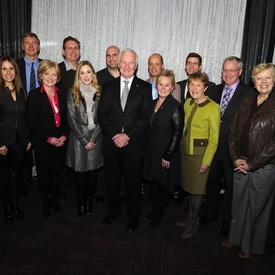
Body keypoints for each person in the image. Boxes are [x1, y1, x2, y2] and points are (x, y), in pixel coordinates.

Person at [222, 63, 275, 258]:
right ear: (253, 81)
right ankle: (234, 238)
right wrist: (235, 158)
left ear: (274, 80)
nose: (263, 82)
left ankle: (250, 246)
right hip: (240, 162)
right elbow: (233, 132)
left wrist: (252, 164)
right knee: (238, 204)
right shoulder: (247, 101)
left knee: (257, 209)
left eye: (268, 77)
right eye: (259, 78)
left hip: (264, 167)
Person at [200, 56, 256, 238]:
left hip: (234, 150)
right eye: (225, 70)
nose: (228, 74)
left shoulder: (249, 93)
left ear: (240, 72)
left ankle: (228, 223)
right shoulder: (214, 90)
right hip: (212, 146)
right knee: (211, 183)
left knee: (231, 189)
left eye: (232, 70)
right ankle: (210, 214)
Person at [98, 48, 152, 232]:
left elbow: (145, 117)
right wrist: (115, 135)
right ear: (119, 65)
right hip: (112, 144)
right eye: (124, 62)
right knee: (111, 182)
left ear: (136, 66)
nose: (127, 66)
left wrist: (127, 135)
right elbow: (102, 114)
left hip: (133, 145)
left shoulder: (145, 88)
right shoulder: (108, 86)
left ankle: (133, 216)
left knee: (133, 184)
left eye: (131, 63)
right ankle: (113, 211)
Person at [177, 71, 220, 238]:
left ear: (205, 87)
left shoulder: (213, 107)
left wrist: (206, 161)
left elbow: (214, 138)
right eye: (191, 85)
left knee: (198, 191)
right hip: (185, 152)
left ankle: (194, 222)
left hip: (200, 155)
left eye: (198, 85)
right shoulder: (187, 103)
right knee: (188, 188)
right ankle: (189, 217)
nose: (194, 88)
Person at [27, 60, 69, 219]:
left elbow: (68, 119)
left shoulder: (64, 93)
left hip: (61, 142)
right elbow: (32, 121)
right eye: (47, 74)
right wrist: (48, 138)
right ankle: (45, 203)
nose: (50, 77)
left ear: (58, 77)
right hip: (43, 143)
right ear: (40, 76)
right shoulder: (34, 95)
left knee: (57, 174)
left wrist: (64, 136)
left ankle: (55, 201)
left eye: (54, 74)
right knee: (44, 175)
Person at [142, 69, 184, 227]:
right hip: (152, 152)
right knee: (153, 183)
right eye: (160, 84)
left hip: (166, 154)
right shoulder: (152, 103)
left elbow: (177, 133)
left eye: (167, 85)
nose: (163, 88)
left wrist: (168, 155)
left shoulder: (175, 107)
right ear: (156, 85)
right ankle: (154, 211)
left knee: (162, 186)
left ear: (173, 87)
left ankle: (158, 215)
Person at [66, 60, 104, 217]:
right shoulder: (72, 92)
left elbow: (103, 117)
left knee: (92, 176)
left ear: (93, 74)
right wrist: (84, 140)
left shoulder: (99, 92)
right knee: (80, 175)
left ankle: (89, 201)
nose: (86, 75)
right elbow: (71, 119)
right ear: (78, 75)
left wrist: (93, 139)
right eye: (82, 72)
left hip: (96, 136)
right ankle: (81, 203)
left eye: (89, 72)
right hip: (77, 139)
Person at [0, 56, 31, 224]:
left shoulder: (21, 91)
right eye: (4, 69)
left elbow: (25, 117)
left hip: (20, 141)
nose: (8, 72)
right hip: (3, 142)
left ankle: (15, 205)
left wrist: (27, 138)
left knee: (16, 175)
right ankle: (7, 208)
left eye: (11, 68)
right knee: (4, 176)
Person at [16, 32, 42, 199]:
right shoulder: (15, 66)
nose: (31, 46)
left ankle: (44, 185)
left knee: (41, 151)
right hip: (21, 116)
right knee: (23, 152)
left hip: (41, 117)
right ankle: (25, 184)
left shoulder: (46, 66)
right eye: (28, 43)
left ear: (39, 47)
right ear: (22, 46)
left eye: (34, 43)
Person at [96, 45, 120, 204]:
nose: (111, 58)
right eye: (108, 55)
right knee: (104, 163)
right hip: (104, 128)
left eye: (114, 55)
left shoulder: (127, 75)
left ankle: (121, 194)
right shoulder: (98, 77)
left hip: (125, 129)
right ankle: (102, 192)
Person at [58, 36, 81, 200]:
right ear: (63, 52)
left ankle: (73, 186)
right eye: (69, 48)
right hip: (62, 122)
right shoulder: (57, 70)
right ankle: (59, 188)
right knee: (60, 159)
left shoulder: (84, 70)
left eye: (76, 48)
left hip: (79, 124)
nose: (73, 51)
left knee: (75, 156)